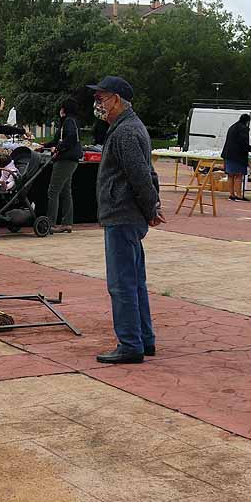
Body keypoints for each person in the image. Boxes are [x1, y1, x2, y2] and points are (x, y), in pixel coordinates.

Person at [89, 76, 164, 364]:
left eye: (102, 99)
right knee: (134, 282)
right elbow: (149, 174)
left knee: (121, 284)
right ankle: (144, 340)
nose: (99, 105)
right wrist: (153, 206)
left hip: (122, 216)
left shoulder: (125, 133)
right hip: (127, 215)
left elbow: (141, 177)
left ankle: (130, 344)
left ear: (117, 99)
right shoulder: (129, 128)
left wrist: (150, 208)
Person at [46, 98, 83, 233]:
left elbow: (70, 138)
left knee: (53, 191)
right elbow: (57, 140)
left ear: (64, 109)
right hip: (71, 160)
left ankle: (50, 223)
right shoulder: (70, 121)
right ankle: (67, 222)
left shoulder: (68, 121)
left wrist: (58, 148)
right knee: (65, 191)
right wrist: (44, 146)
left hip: (65, 160)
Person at [221, 113, 251, 202]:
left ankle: (232, 195)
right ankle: (238, 195)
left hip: (228, 154)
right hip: (237, 156)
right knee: (239, 175)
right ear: (247, 121)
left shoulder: (232, 127)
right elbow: (243, 142)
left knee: (230, 175)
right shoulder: (243, 128)